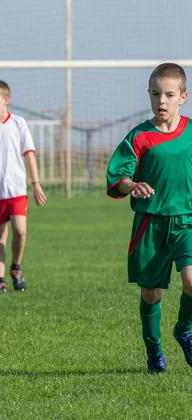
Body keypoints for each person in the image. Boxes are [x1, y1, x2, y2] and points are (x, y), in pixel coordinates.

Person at [106, 62, 192, 374]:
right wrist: (132, 186)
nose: (162, 101)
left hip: (187, 221)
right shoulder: (139, 136)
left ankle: (185, 329)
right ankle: (154, 353)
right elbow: (119, 175)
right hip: (150, 224)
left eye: (169, 94)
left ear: (182, 96)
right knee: (150, 292)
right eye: (156, 94)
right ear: (149, 95)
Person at [0, 80, 47, 293]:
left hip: (17, 190)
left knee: (20, 231)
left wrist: (35, 183)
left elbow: (29, 153)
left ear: (5, 100)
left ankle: (16, 266)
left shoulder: (18, 123)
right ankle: (0, 279)